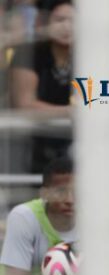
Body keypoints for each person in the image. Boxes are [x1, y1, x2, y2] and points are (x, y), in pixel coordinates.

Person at [9, 0, 73, 173]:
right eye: (59, 20)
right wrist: (72, 112)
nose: (66, 27)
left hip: (72, 144)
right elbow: (25, 105)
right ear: (46, 23)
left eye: (74, 21)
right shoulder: (27, 53)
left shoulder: (93, 57)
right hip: (27, 144)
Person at [1, 156, 74, 275]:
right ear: (45, 194)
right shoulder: (23, 217)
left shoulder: (98, 220)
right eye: (60, 192)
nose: (70, 200)